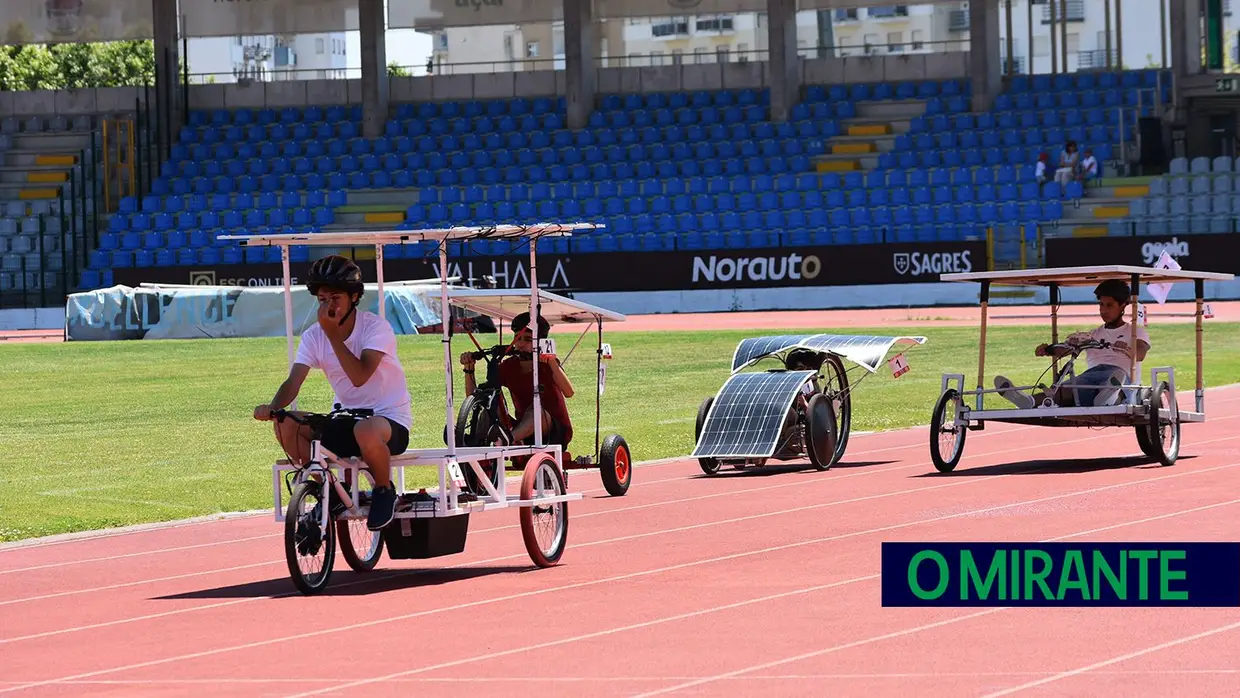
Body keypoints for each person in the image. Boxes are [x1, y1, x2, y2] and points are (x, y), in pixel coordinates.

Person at [253, 255, 412, 531]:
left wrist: (333, 336)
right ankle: (327, 491)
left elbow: (359, 376)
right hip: (345, 419)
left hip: (387, 421)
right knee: (287, 423)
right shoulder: (314, 336)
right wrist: (274, 408)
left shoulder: (376, 328)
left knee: (365, 430)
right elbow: (294, 381)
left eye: (335, 298)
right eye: (322, 299)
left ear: (354, 297)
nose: (328, 305)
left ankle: (384, 490)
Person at [995, 279, 1150, 409]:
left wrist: (1129, 349)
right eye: (1101, 305)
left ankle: (1111, 398)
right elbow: (1065, 350)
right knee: (1067, 388)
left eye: (1109, 305)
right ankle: (1029, 401)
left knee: (1116, 377)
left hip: (1122, 379)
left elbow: (1141, 354)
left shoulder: (1134, 331)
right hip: (1091, 378)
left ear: (1123, 305)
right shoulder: (1093, 334)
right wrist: (1048, 349)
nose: (1103, 310)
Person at [460, 311, 575, 448]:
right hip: (522, 430)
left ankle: (508, 438)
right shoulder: (509, 366)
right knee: (489, 406)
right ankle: (474, 442)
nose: (520, 344)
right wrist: (469, 369)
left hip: (553, 432)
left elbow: (569, 392)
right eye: (517, 338)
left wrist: (551, 362)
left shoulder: (549, 364)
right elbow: (474, 401)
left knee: (536, 409)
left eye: (527, 340)